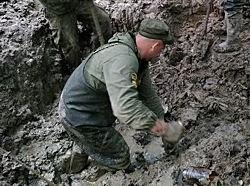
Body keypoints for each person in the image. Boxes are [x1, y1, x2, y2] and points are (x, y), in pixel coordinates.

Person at [59, 18, 184, 176]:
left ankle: (81, 153)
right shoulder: (124, 60)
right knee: (120, 155)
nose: (160, 53)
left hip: (88, 107)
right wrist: (164, 129)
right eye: (162, 49)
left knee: (91, 140)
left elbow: (148, 95)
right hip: (78, 113)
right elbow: (125, 108)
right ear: (156, 45)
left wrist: (162, 121)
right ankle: (100, 173)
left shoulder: (136, 54)